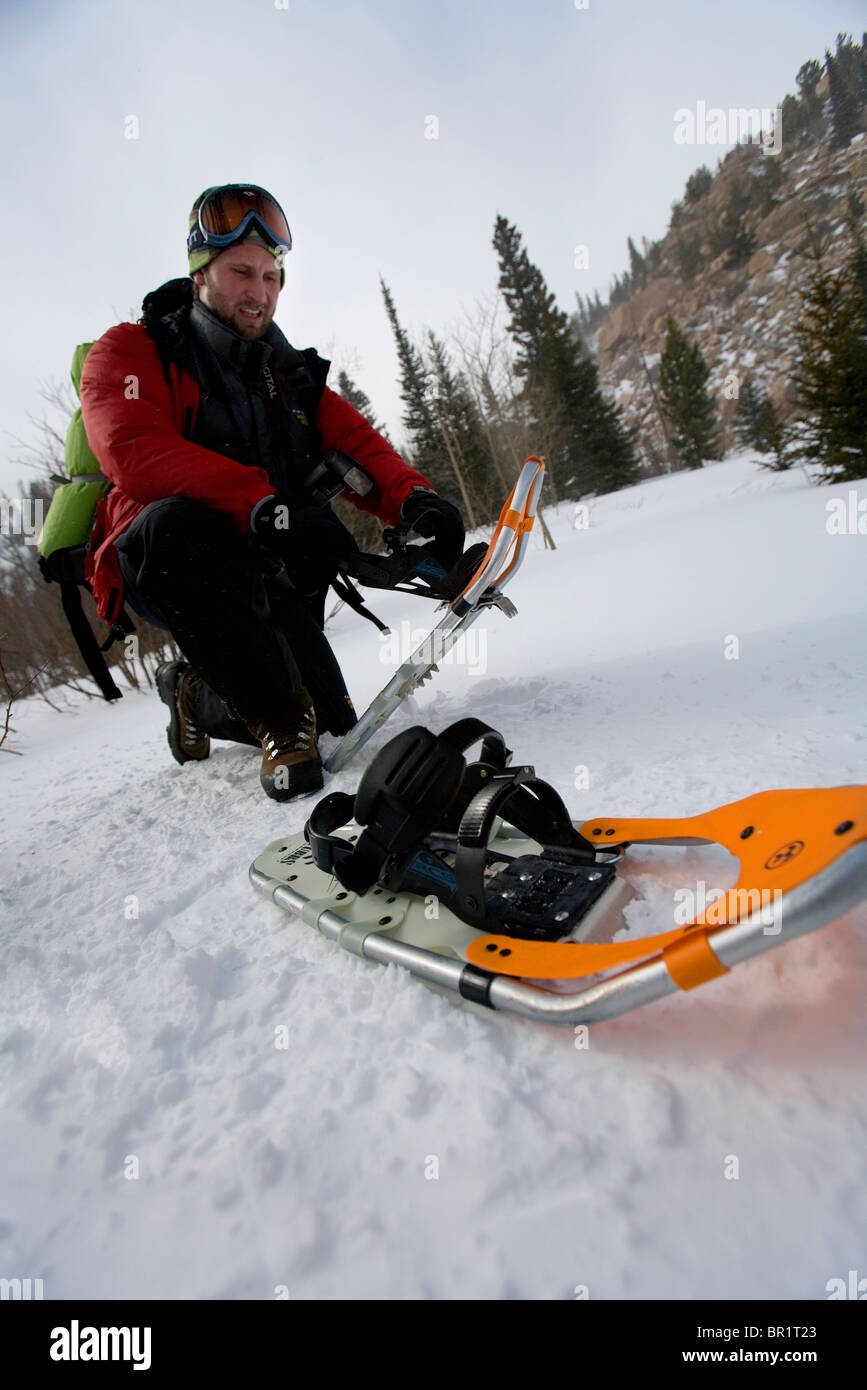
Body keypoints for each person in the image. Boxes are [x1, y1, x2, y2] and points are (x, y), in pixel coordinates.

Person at [79, 184, 465, 800]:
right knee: (175, 533)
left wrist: (415, 501)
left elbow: (359, 445)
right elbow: (133, 451)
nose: (259, 292)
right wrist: (265, 505)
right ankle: (277, 720)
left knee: (336, 721)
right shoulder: (130, 350)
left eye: (271, 276)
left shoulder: (288, 373)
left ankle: (199, 691)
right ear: (200, 272)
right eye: (240, 272)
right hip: (170, 561)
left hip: (273, 559)